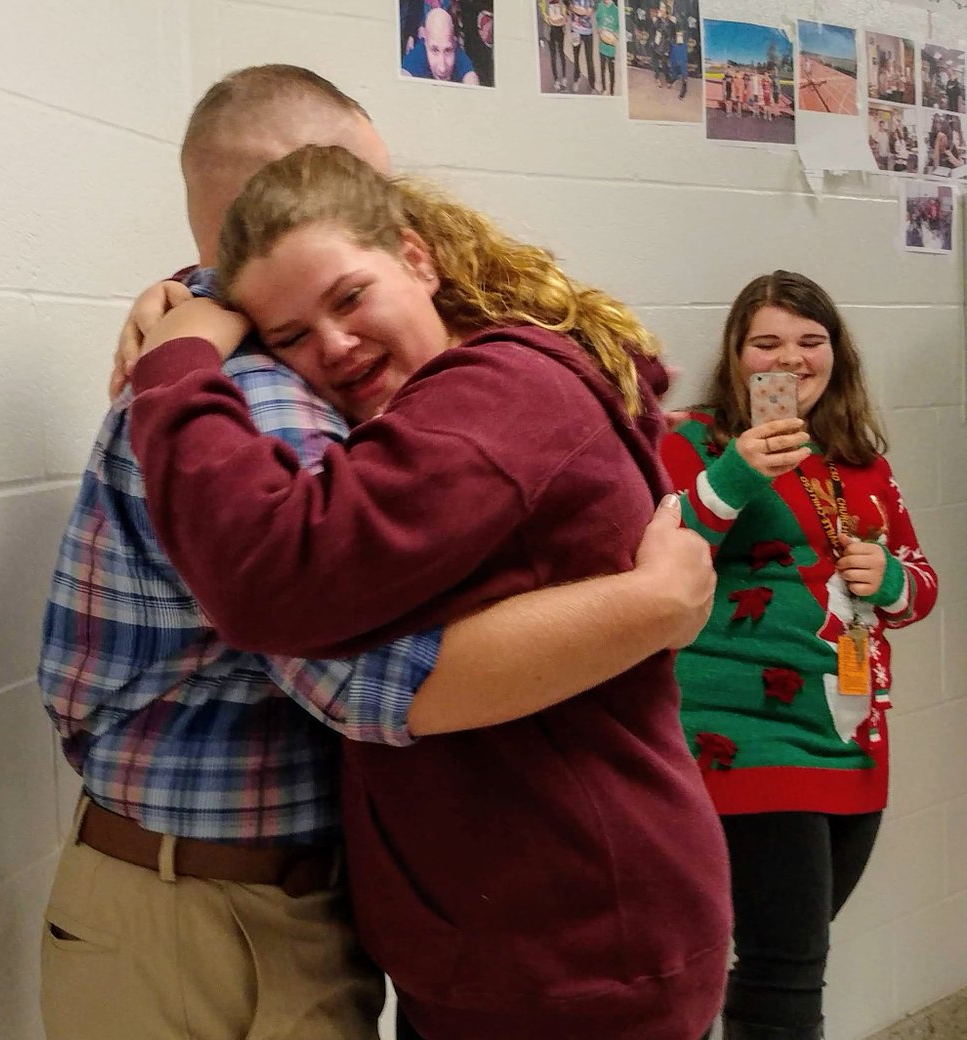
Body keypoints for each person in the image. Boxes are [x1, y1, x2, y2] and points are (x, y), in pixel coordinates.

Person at [46, 66, 718, 1040]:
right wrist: (649, 607)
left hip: (551, 945)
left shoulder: (480, 391)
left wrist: (178, 356)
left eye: (346, 289)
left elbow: (301, 597)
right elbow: (345, 653)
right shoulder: (316, 387)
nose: (329, 338)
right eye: (277, 310)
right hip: (214, 908)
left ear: (402, 238)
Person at [661, 271, 939, 1040]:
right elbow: (658, 553)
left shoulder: (863, 462)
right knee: (787, 973)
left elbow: (921, 590)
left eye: (810, 341)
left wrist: (886, 581)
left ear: (836, 353)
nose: (790, 360)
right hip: (744, 738)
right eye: (768, 343)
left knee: (780, 960)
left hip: (850, 740)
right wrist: (740, 469)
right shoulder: (691, 440)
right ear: (737, 356)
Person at [401, 5, 480, 84]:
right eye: (434, 50)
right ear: (425, 42)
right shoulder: (416, 56)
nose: (442, 69)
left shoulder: (457, 52)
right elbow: (404, 75)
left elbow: (470, 76)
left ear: (454, 42)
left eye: (448, 51)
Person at [568, 0, 596, 92]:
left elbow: (591, 9)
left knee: (589, 58)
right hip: (575, 30)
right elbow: (568, 5)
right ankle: (576, 79)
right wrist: (571, 7)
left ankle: (592, 85)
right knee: (576, 56)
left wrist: (589, 9)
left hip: (588, 31)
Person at [542, 0, 568, 91]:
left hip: (560, 30)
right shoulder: (545, 3)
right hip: (550, 31)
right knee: (553, 55)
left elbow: (565, 14)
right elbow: (543, 14)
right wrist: (547, 18)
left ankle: (564, 77)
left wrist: (564, 18)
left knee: (561, 53)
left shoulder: (561, 3)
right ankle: (556, 79)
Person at [595, 0, 619, 95]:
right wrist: (599, 29)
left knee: (611, 69)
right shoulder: (600, 5)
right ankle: (604, 88)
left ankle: (612, 91)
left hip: (611, 47)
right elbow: (598, 20)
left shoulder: (616, 10)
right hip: (602, 44)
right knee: (602, 68)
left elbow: (618, 26)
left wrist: (615, 35)